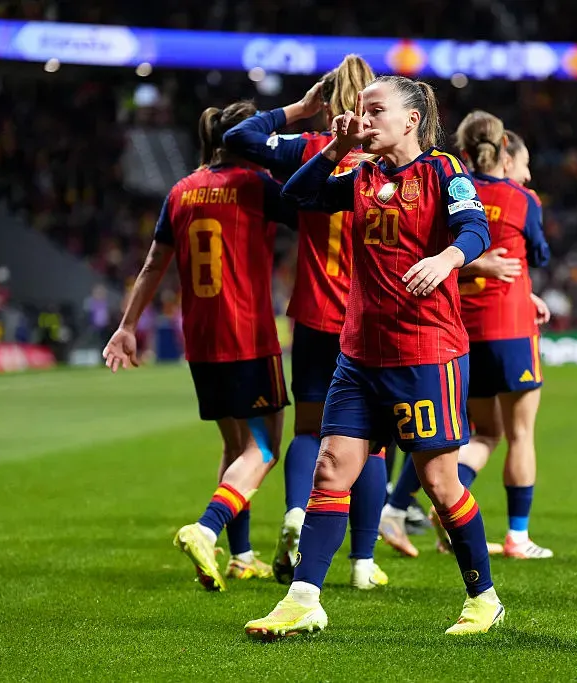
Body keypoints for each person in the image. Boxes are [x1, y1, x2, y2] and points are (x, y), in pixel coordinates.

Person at [245, 75, 503, 639]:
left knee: (440, 483)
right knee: (332, 465)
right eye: (359, 110)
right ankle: (304, 598)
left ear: (411, 120)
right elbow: (296, 197)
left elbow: (476, 226)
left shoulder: (444, 171)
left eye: (374, 110)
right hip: (359, 352)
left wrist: (450, 258)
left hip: (425, 351)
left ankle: (483, 598)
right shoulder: (359, 172)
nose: (362, 119)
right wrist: (335, 147)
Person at [103, 102, 295, 590]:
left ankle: (242, 554)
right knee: (265, 448)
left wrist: (127, 326)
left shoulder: (181, 191)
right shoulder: (256, 185)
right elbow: (314, 209)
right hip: (248, 335)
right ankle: (207, 529)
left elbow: (151, 266)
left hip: (202, 341)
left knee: (234, 446)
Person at [223, 55, 390, 590]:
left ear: (329, 97)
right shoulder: (389, 159)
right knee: (376, 442)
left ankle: (297, 513)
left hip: (317, 313)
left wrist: (299, 109)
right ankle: (363, 561)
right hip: (372, 318)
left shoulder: (311, 151)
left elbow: (240, 136)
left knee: (310, 430)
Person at [380, 121, 552, 560]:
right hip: (512, 329)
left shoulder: (446, 186)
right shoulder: (521, 199)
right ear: (507, 155)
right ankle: (517, 535)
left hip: (462, 332)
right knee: (519, 434)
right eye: (525, 165)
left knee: (469, 432)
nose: (528, 175)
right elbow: (538, 254)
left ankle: (410, 507)